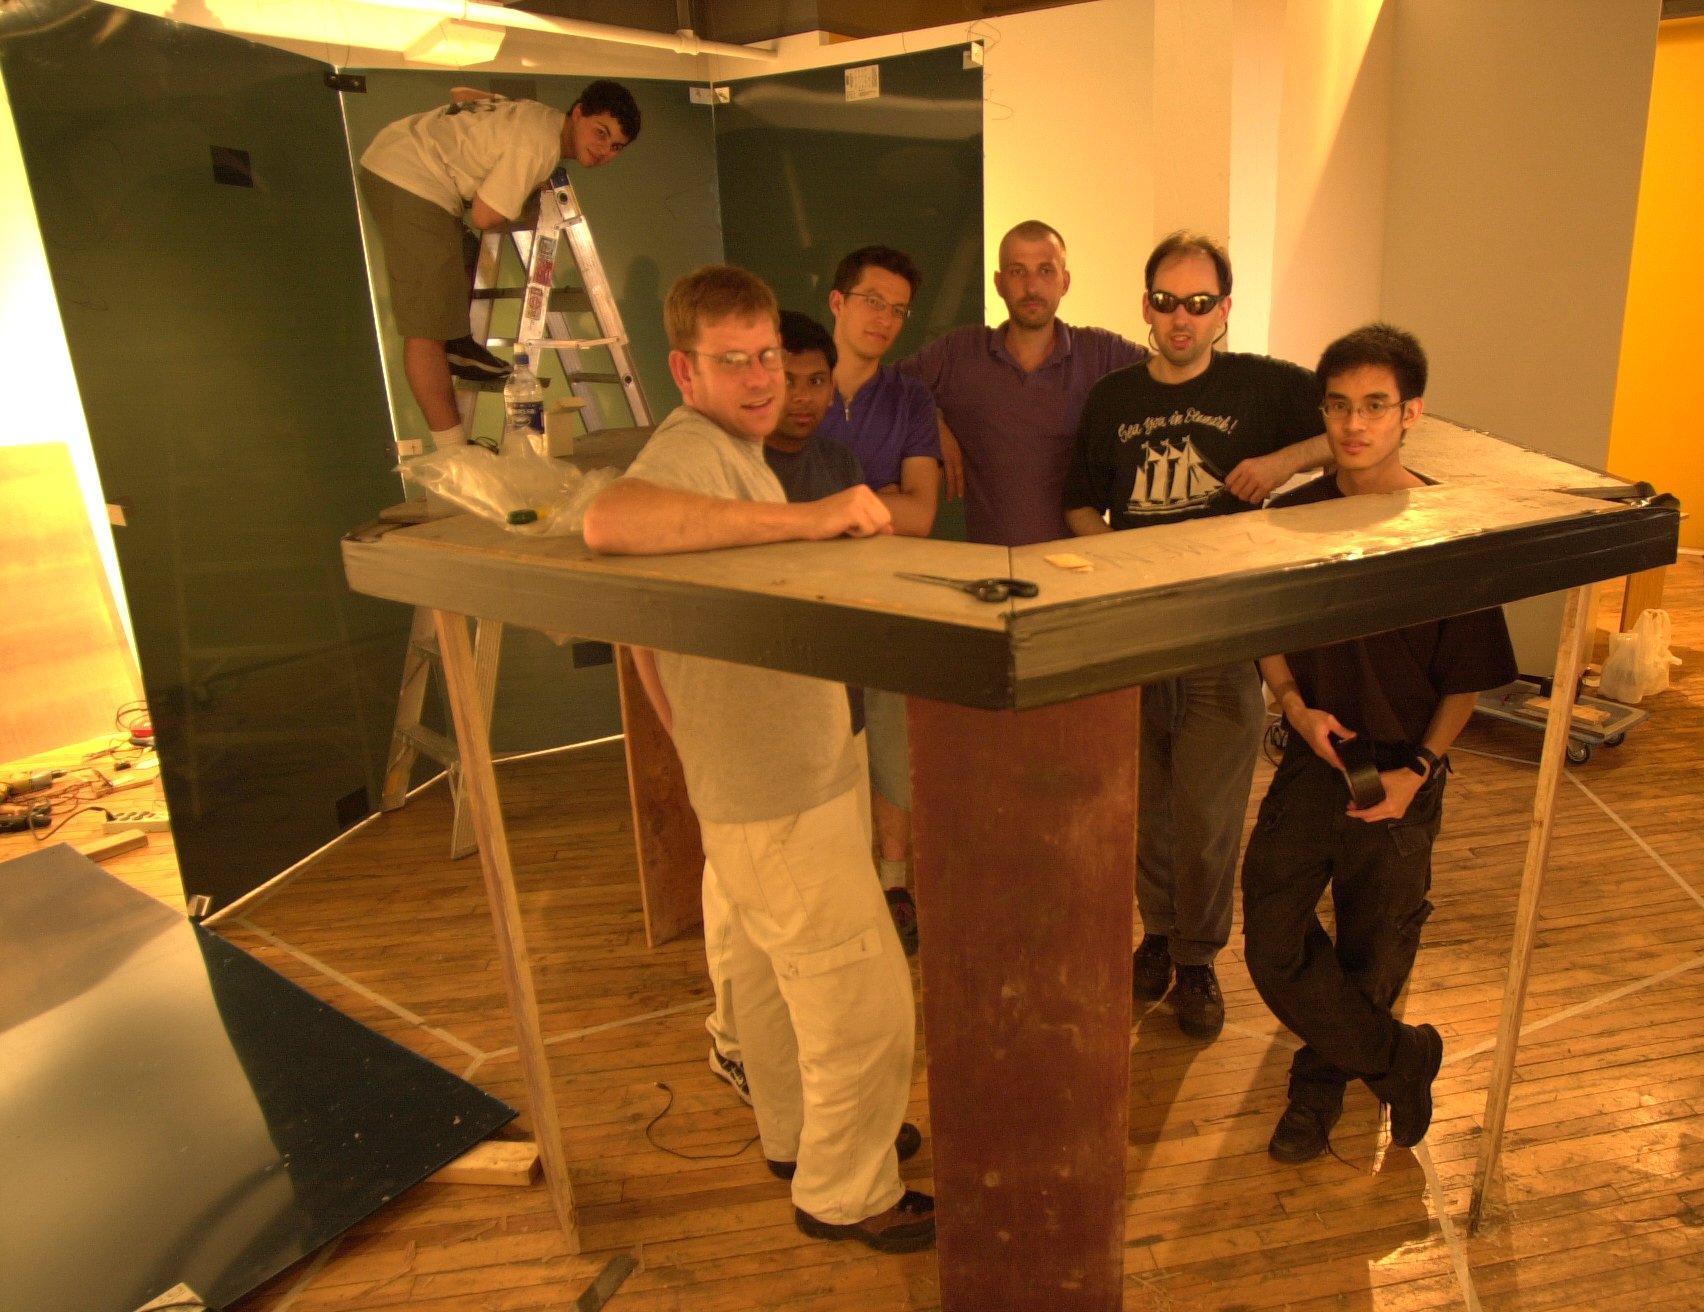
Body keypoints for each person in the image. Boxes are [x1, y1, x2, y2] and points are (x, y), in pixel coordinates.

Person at [581, 266, 933, 1255]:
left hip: (764, 776)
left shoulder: (734, 453)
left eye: (768, 356)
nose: (759, 378)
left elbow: (648, 630)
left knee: (778, 986)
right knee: (860, 1000)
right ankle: (847, 1191)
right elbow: (611, 522)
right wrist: (813, 518)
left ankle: (800, 1139)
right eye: (731, 360)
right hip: (777, 789)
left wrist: (694, 743)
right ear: (684, 371)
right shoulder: (692, 447)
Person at [1242, 323, 1516, 1161]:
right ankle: (1403, 1059)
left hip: (1398, 768)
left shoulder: (1447, 529)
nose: (1354, 424)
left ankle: (1319, 1087)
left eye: (1374, 406)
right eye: (1338, 406)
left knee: (1374, 949)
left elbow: (1467, 680)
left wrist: (1417, 775)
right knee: (1272, 941)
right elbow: (1265, 630)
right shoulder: (1291, 519)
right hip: (1316, 757)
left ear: (1410, 413)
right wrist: (1294, 707)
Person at [1063, 230, 1330, 1040]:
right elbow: (1079, 504)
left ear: (1224, 311)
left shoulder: (1263, 386)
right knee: (1149, 807)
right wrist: (1133, 565)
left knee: (1209, 817)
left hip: (1224, 636)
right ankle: (1158, 935)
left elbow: (1354, 428)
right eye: (1168, 301)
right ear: (1146, 307)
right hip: (1141, 635)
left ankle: (1197, 959)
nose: (1182, 317)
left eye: (1199, 303)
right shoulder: (1112, 399)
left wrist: (1282, 463)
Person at [701, 310, 891, 1109]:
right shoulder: (720, 466)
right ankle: (735, 1045)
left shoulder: (838, 463)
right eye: (787, 379)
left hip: (833, 713)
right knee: (743, 913)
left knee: (814, 924)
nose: (801, 397)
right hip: (755, 737)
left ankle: (787, 1087)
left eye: (817, 380)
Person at [358, 80, 640, 452]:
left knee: (466, 262)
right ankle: (455, 454)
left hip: (399, 159)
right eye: (601, 133)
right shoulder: (539, 145)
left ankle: (459, 346)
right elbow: (485, 216)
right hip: (410, 176)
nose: (604, 150)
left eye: (616, 146)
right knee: (426, 330)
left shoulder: (537, 116)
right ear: (578, 113)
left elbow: (460, 93)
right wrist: (526, 197)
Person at [819, 246, 941, 928]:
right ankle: (836, 884)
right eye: (873, 301)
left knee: (893, 744)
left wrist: (827, 510)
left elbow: (921, 515)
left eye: (898, 310)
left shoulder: (909, 397)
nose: (885, 319)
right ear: (838, 301)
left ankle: (895, 885)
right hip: (807, 604)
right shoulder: (791, 385)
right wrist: (878, 496)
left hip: (889, 597)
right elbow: (775, 503)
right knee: (821, 747)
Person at [899, 220, 1145, 546]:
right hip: (984, 567)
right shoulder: (959, 352)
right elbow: (885, 386)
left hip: (1079, 566)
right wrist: (929, 421)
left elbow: (1175, 377)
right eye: (1017, 272)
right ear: (999, 283)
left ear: (1064, 282)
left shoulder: (1100, 353)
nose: (1031, 286)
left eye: (1045, 271)